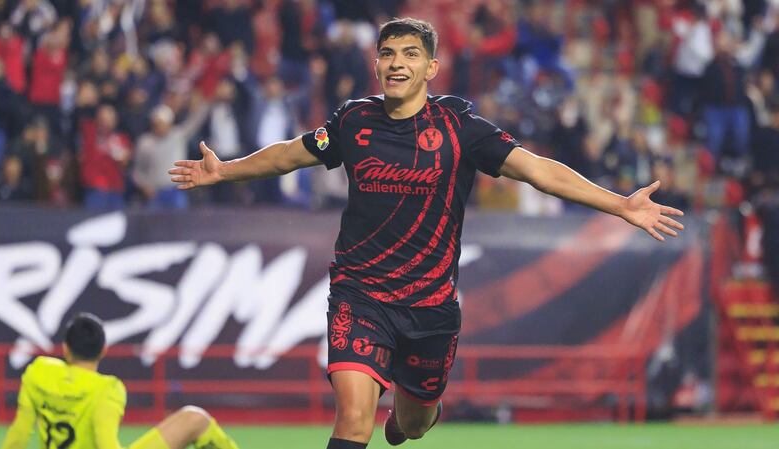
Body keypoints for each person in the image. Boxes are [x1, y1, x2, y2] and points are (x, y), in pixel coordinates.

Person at [169, 18, 685, 449]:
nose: (396, 63)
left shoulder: (461, 128)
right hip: (359, 293)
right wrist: (225, 170)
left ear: (431, 68)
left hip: (430, 308)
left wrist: (620, 204)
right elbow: (289, 155)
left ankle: (407, 417)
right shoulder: (353, 121)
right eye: (387, 53)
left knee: (414, 425)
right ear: (376, 64)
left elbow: (537, 171)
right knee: (353, 419)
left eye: (410, 54)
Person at [0, 313, 240, 449]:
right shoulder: (107, 389)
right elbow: (106, 444)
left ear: (65, 348)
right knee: (194, 419)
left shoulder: (38, 371)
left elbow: (18, 436)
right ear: (103, 350)